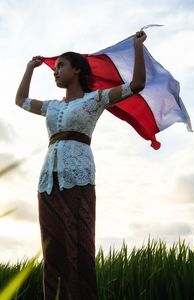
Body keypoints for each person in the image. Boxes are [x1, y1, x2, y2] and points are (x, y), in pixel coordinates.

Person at [15, 30, 147, 300]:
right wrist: (29, 68)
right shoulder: (51, 106)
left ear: (76, 70)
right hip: (47, 180)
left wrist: (137, 48)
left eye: (61, 65)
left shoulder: (95, 99)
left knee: (78, 241)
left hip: (78, 177)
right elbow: (21, 101)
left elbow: (136, 84)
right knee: (51, 246)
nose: (56, 70)